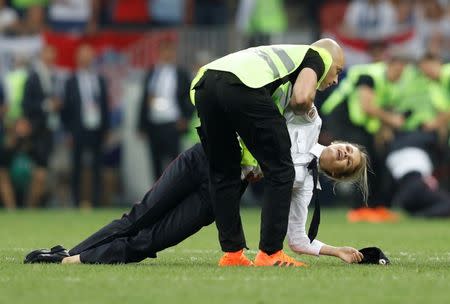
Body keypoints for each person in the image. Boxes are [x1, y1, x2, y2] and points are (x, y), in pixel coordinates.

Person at [24, 83, 368, 266]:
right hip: (207, 156)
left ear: (337, 176)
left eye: (348, 164)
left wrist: (335, 250)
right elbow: (296, 97)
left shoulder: (305, 185)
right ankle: (64, 254)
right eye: (349, 150)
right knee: (139, 217)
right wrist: (316, 79)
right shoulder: (312, 121)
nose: (346, 155)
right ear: (340, 142)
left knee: (155, 239)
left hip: (226, 188)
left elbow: (298, 240)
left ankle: (74, 261)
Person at [191, 38, 345, 266]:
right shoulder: (317, 56)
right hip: (241, 86)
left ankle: (232, 254)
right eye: (337, 71)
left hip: (204, 84)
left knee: (224, 171)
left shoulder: (282, 55)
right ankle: (271, 253)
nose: (336, 79)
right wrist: (305, 109)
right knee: (282, 169)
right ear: (328, 59)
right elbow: (302, 98)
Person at [321, 56, 408, 222]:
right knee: (360, 158)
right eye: (398, 70)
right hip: (340, 117)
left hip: (360, 125)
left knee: (378, 157)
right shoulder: (370, 75)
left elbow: (376, 110)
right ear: (389, 64)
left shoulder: (389, 85)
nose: (399, 75)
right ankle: (358, 208)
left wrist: (383, 129)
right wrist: (391, 120)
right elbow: (366, 106)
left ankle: (377, 206)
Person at [138, 38, 193, 180]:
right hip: (154, 123)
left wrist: (185, 118)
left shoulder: (180, 73)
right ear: (159, 52)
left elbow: (190, 98)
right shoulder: (152, 72)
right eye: (164, 50)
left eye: (170, 50)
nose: (167, 54)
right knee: (155, 163)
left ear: (173, 52)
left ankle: (174, 197)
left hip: (172, 124)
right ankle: (156, 199)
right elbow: (144, 99)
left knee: (174, 164)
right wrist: (141, 124)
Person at [62, 44, 110, 208]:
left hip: (96, 127)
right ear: (77, 58)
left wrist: (106, 128)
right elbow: (66, 108)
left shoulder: (99, 79)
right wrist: (68, 131)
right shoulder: (71, 81)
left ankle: (95, 201)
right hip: (78, 128)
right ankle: (76, 201)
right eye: (83, 55)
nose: (86, 59)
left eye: (89, 55)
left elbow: (105, 105)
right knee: (76, 166)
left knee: (97, 165)